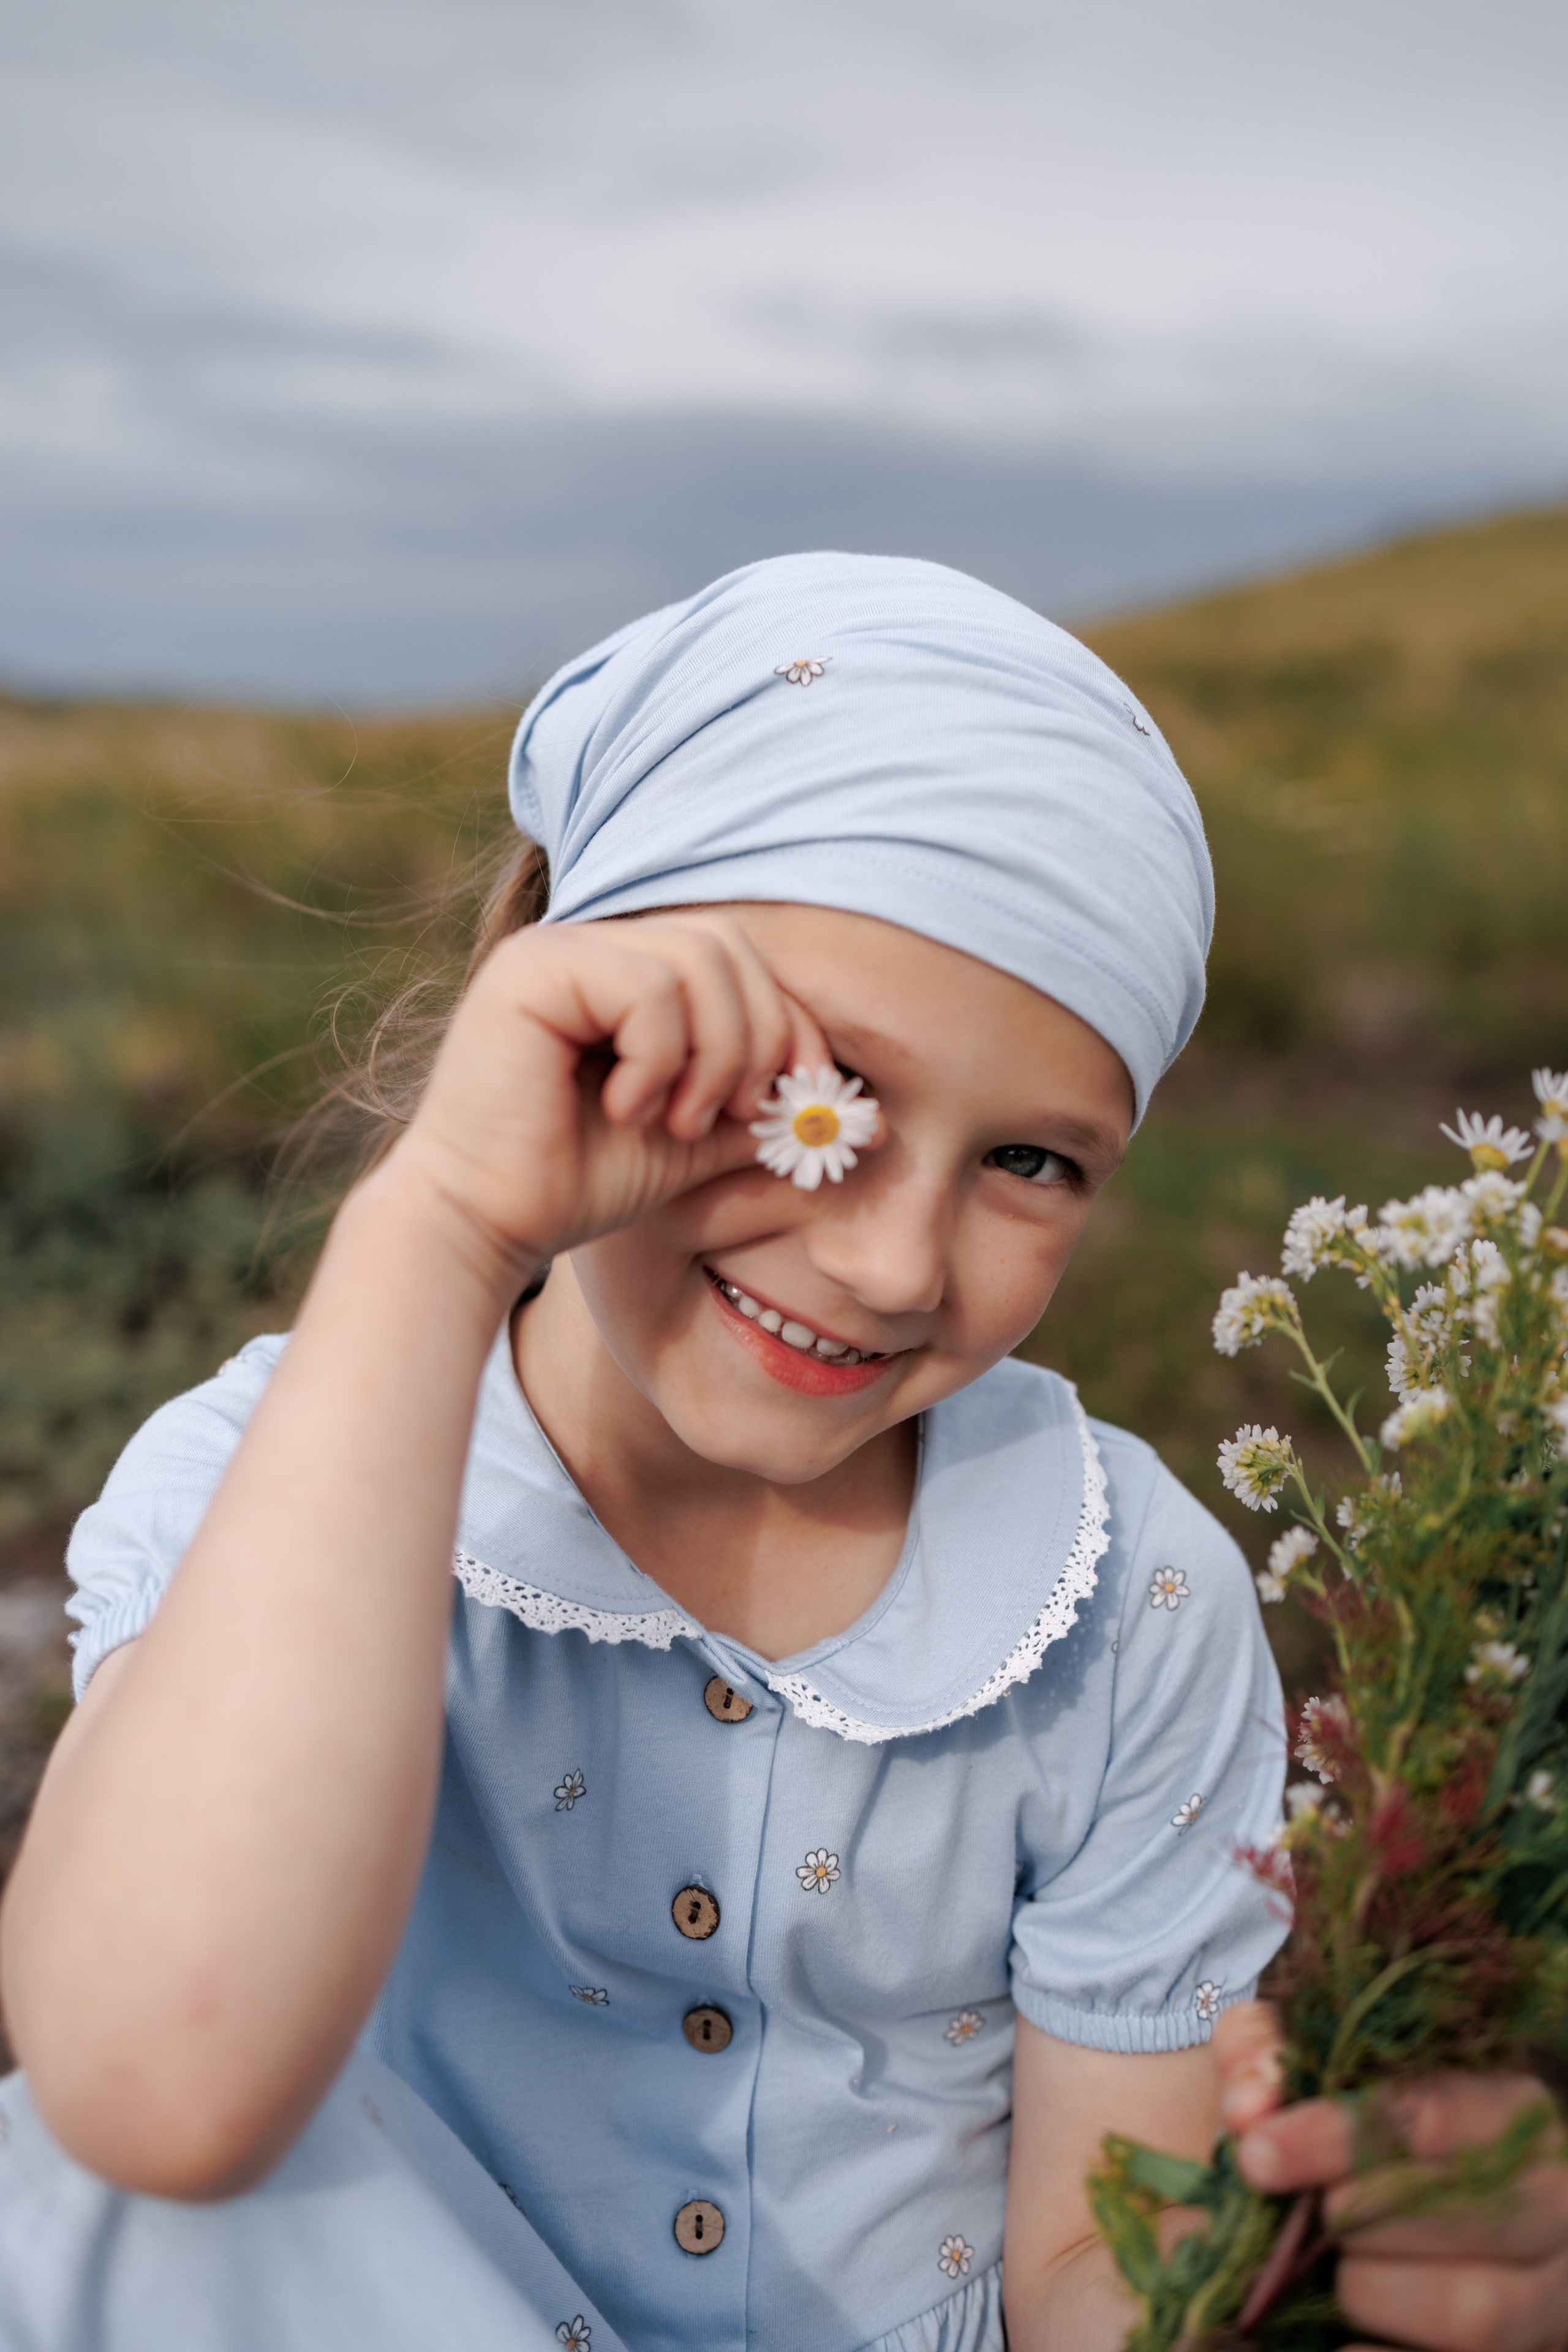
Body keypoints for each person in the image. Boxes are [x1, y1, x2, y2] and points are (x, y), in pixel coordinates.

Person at [0, 553, 1561, 2352]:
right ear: (564, 1018)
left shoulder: (1118, 1598)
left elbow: (1087, 2286)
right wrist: (436, 1219)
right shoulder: (275, 1482)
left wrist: (1339, 2260)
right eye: (825, 1100)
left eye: (1033, 1162)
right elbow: (152, 2094)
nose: (895, 1263)